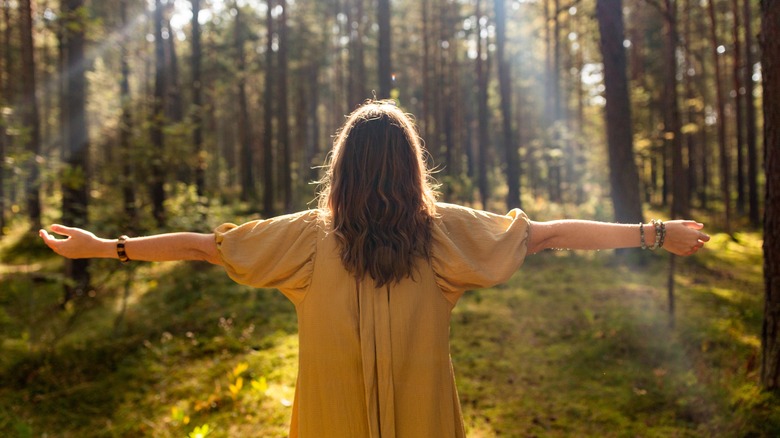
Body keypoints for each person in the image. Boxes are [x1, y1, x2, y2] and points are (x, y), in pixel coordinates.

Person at [40, 100, 709, 438]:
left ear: (342, 168)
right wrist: (656, 233)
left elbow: (202, 246)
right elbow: (553, 234)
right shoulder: (446, 233)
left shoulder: (305, 240)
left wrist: (105, 246)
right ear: (412, 167)